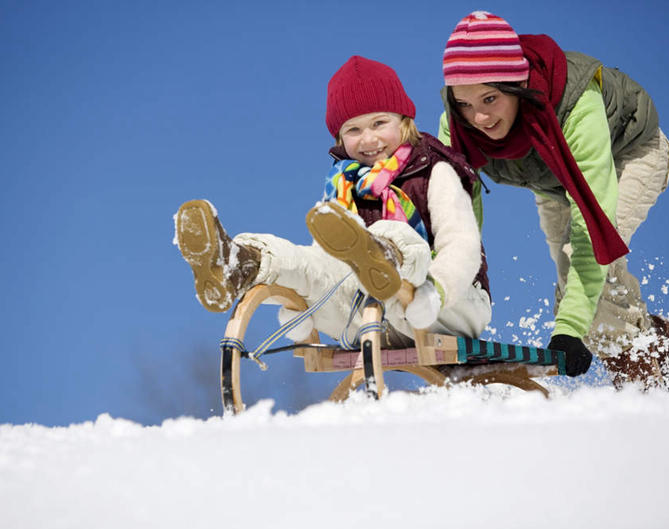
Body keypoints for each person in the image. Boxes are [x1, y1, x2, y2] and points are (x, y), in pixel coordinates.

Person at [175, 55, 492, 355]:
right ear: (340, 139)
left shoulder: (434, 170)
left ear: (405, 121)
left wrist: (435, 292)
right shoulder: (343, 185)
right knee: (309, 265)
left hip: (449, 306)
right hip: (375, 317)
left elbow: (462, 245)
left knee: (393, 233)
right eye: (353, 130)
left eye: (379, 123)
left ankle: (385, 256)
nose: (368, 139)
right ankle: (239, 264)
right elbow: (325, 265)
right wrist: (305, 306)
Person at [437, 11, 669, 389]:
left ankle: (645, 376)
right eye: (464, 103)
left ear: (516, 85)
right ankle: (644, 335)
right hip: (554, 181)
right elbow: (458, 220)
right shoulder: (457, 127)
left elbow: (590, 228)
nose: (478, 116)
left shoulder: (577, 106)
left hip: (629, 153)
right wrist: (447, 298)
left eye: (490, 98)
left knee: (583, 274)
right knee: (581, 285)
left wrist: (568, 330)